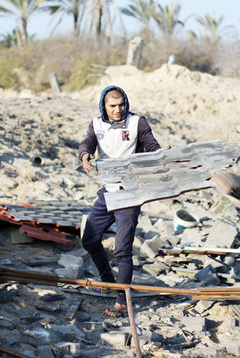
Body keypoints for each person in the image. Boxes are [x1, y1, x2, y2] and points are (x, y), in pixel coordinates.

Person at [78, 85, 163, 317]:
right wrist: (85, 155)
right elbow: (87, 143)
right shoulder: (97, 124)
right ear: (104, 106)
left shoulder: (137, 123)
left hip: (130, 193)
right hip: (107, 192)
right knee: (90, 240)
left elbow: (152, 147)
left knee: (122, 251)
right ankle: (107, 280)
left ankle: (122, 302)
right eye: (113, 106)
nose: (118, 109)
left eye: (121, 104)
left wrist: (163, 157)